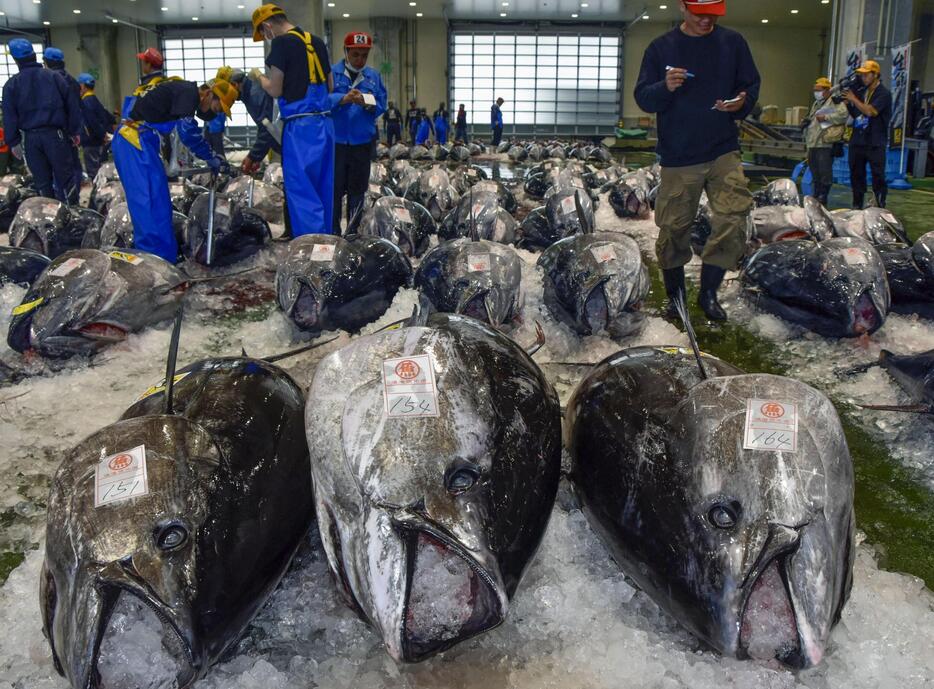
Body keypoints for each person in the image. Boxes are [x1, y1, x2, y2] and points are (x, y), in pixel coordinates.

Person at [634, 0, 760, 322]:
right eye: (699, 14)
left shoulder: (732, 43)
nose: (706, 20)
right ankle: (677, 300)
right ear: (682, 8)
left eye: (713, 15)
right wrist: (666, 87)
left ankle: (708, 293)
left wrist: (741, 103)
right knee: (674, 229)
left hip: (723, 148)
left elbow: (750, 86)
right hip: (679, 154)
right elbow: (643, 97)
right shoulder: (661, 47)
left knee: (734, 217)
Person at [112, 77, 234, 262]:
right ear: (209, 94)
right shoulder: (188, 93)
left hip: (144, 142)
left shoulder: (184, 95)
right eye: (216, 108)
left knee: (160, 202)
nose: (214, 113)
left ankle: (166, 258)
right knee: (146, 203)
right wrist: (210, 156)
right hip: (131, 142)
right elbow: (187, 132)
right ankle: (150, 261)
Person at [251, 3, 335, 235]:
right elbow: (330, 85)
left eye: (264, 34)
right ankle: (326, 246)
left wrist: (258, 76)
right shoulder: (317, 41)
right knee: (323, 188)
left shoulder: (280, 43)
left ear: (267, 27)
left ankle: (310, 253)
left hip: (300, 128)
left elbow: (275, 89)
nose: (267, 38)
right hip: (325, 124)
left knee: (302, 191)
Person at [1, 39, 81, 203]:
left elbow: (9, 117)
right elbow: (72, 105)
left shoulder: (11, 85)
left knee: (42, 183)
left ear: (15, 59)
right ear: (33, 55)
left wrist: (13, 141)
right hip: (55, 136)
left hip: (31, 140)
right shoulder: (54, 77)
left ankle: (48, 219)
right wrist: (74, 131)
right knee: (66, 180)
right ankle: (74, 216)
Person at [329, 31, 387, 233]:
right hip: (336, 142)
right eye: (355, 55)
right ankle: (333, 232)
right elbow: (320, 101)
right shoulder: (331, 73)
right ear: (346, 52)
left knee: (357, 191)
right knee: (334, 190)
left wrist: (365, 101)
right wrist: (342, 99)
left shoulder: (373, 76)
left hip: (361, 143)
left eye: (364, 55)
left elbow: (382, 103)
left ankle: (352, 232)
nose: (360, 60)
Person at [845, 60, 892, 209]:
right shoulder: (863, 92)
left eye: (866, 75)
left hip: (875, 142)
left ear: (876, 75)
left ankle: (879, 204)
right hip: (858, 140)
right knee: (856, 173)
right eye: (862, 75)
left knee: (877, 174)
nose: (863, 78)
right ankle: (857, 204)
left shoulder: (883, 93)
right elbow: (858, 114)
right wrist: (849, 104)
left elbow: (870, 111)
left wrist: (854, 99)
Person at [215, 67, 278, 174]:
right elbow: (264, 125)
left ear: (235, 85)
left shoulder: (254, 95)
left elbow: (267, 129)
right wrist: (256, 157)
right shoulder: (250, 92)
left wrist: (252, 156)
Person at [43, 47, 85, 194]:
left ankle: (58, 203)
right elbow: (76, 108)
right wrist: (75, 132)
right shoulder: (71, 80)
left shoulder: (46, 81)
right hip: (68, 133)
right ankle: (72, 202)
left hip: (53, 133)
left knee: (55, 172)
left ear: (46, 62)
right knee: (72, 169)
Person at [804, 77, 848, 207]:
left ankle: (823, 195)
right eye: (815, 90)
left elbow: (843, 116)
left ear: (827, 90)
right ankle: (816, 194)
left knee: (824, 171)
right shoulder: (817, 103)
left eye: (819, 90)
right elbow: (814, 118)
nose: (816, 92)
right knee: (815, 171)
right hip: (813, 143)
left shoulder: (835, 102)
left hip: (825, 143)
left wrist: (826, 117)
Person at [76, 73, 116, 180]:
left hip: (92, 142)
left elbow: (92, 122)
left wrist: (102, 135)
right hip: (98, 141)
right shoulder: (94, 100)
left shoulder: (86, 102)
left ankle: (98, 194)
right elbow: (108, 117)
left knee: (94, 173)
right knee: (100, 169)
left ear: (82, 86)